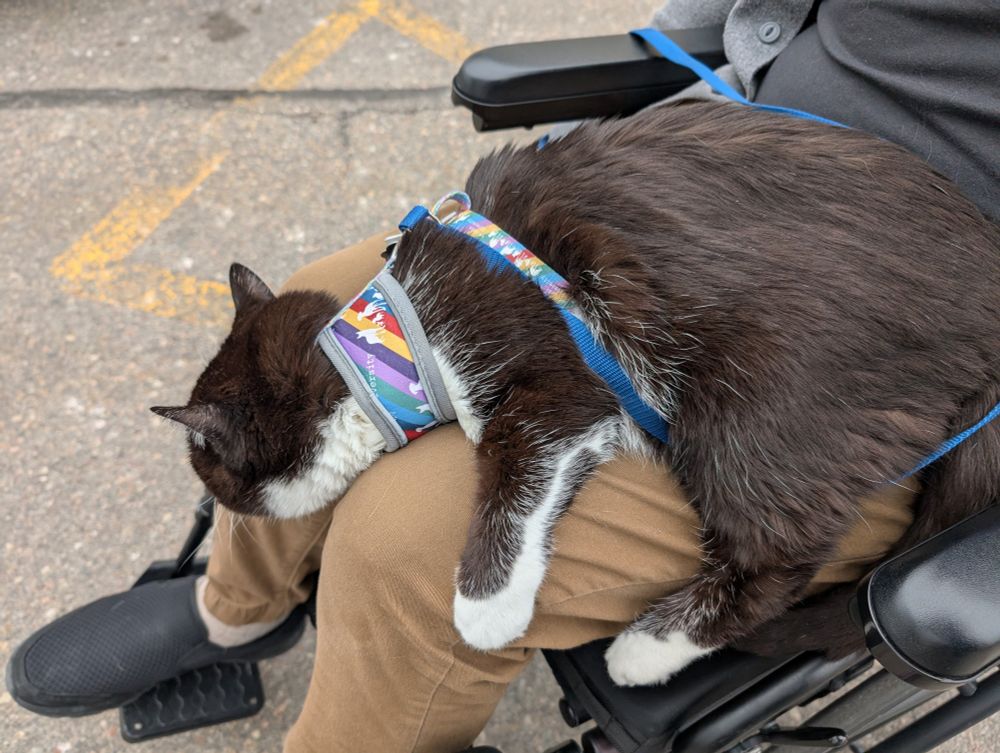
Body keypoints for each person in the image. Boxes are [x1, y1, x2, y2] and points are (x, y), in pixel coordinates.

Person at [8, 2, 997, 752]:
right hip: (721, 178)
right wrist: (686, 57)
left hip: (886, 327)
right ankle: (237, 609)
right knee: (308, 310)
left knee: (415, 538)